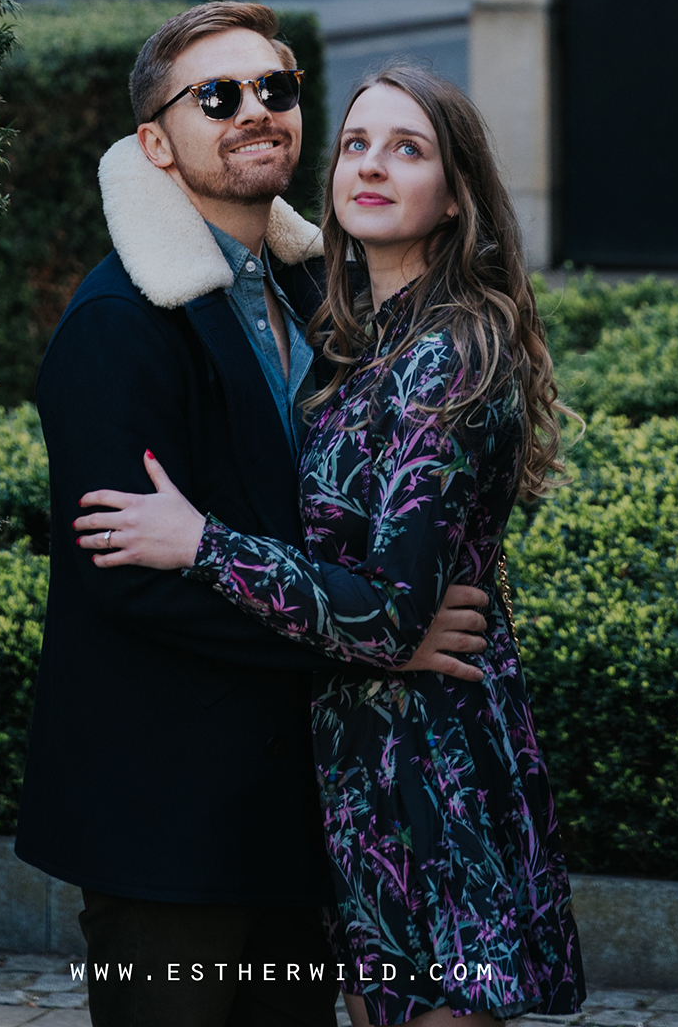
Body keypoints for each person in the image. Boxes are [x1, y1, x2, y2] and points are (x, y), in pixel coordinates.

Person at [74, 62, 585, 1027]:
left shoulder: (448, 354)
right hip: (361, 772)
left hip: (434, 769)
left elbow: (393, 611)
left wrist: (198, 543)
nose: (373, 167)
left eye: (409, 149)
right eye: (357, 144)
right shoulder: (355, 334)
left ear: (455, 195)